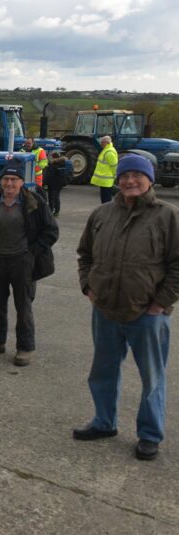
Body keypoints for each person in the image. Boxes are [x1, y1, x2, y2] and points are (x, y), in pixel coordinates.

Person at [74, 154, 179, 461]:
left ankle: (149, 434)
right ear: (117, 179)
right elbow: (85, 254)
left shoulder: (167, 216)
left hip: (147, 314)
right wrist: (88, 287)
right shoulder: (102, 213)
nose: (130, 181)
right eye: (125, 176)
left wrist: (160, 303)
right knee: (102, 372)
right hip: (105, 309)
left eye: (137, 175)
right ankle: (104, 422)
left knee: (151, 378)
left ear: (150, 179)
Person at [0, 163, 59, 367]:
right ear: (1, 181)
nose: (9, 183)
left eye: (14, 180)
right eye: (6, 179)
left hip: (22, 261)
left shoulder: (34, 201)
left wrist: (32, 253)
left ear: (21, 182)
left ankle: (25, 348)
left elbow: (51, 231)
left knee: (24, 306)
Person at [91, 135, 118, 204]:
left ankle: (107, 213)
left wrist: (116, 177)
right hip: (104, 181)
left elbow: (114, 166)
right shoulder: (106, 150)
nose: (101, 144)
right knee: (104, 199)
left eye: (103, 142)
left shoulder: (109, 152)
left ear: (107, 143)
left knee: (106, 200)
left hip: (107, 181)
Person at [43, 151, 67, 217]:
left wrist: (45, 183)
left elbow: (49, 176)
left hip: (52, 183)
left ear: (53, 157)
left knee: (51, 197)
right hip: (59, 184)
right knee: (57, 197)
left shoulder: (53, 165)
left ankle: (51, 211)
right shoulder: (63, 164)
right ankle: (57, 211)